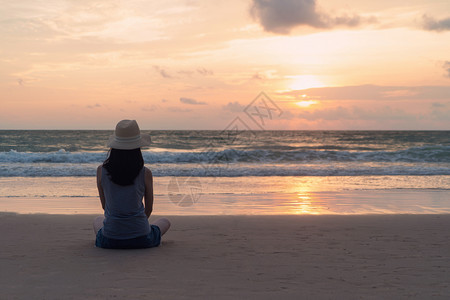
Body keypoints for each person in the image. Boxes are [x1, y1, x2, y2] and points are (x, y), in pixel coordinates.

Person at [93, 119, 170, 249]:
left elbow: (105, 206)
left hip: (110, 239)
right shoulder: (145, 173)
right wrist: (135, 225)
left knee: (97, 220)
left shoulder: (101, 170)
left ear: (114, 146)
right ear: (137, 147)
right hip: (142, 238)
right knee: (165, 222)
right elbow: (149, 209)